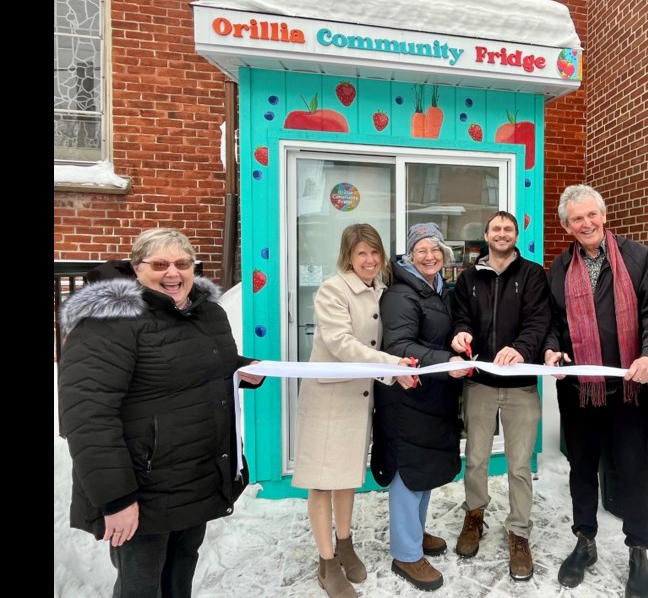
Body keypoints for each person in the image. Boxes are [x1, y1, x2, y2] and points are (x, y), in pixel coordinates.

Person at [57, 227, 265, 598]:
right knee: (141, 587)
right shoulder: (109, 321)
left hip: (196, 476)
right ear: (137, 268)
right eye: (160, 264)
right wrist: (116, 499)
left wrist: (241, 369)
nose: (173, 273)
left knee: (179, 577)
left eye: (182, 263)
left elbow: (201, 364)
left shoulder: (206, 314)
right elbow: (87, 415)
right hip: (143, 488)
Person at [542, 184, 648, 598]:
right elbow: (553, 322)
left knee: (633, 471)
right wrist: (552, 349)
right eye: (577, 219)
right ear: (567, 226)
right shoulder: (559, 269)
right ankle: (586, 542)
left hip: (630, 390)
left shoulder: (638, 257)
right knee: (582, 470)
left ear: (604, 215)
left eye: (591, 215)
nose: (586, 223)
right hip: (579, 392)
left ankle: (638, 550)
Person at [291, 224, 416, 598]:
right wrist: (393, 366)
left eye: (375, 252)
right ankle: (327, 562)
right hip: (329, 399)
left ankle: (344, 544)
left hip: (359, 397)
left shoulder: (381, 290)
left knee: (346, 475)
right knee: (322, 479)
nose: (370, 260)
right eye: (362, 253)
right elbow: (341, 343)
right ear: (348, 256)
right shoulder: (333, 289)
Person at [449, 211, 551, 580]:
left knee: (519, 464)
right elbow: (459, 316)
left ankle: (519, 532)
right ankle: (474, 515)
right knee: (475, 457)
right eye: (496, 228)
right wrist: (460, 333)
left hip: (520, 385)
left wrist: (522, 349)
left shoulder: (532, 273)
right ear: (487, 235)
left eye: (508, 228)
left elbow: (540, 320)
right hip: (479, 383)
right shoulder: (468, 278)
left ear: (516, 234)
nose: (502, 233)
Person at [371, 222, 470, 592]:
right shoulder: (401, 294)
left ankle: (414, 533)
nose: (430, 256)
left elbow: (436, 331)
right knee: (408, 473)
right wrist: (447, 359)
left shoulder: (437, 289)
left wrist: (456, 343)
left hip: (430, 396)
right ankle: (405, 553)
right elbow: (399, 347)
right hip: (406, 399)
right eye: (421, 250)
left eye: (436, 250)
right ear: (409, 256)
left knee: (424, 471)